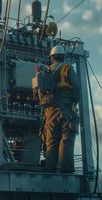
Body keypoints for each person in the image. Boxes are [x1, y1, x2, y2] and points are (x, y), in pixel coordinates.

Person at [43, 44, 80, 173]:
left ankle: (49, 169)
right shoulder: (67, 69)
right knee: (66, 140)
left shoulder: (45, 71)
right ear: (64, 57)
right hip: (66, 110)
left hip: (50, 112)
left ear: (51, 58)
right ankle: (67, 171)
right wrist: (74, 102)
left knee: (51, 142)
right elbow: (76, 87)